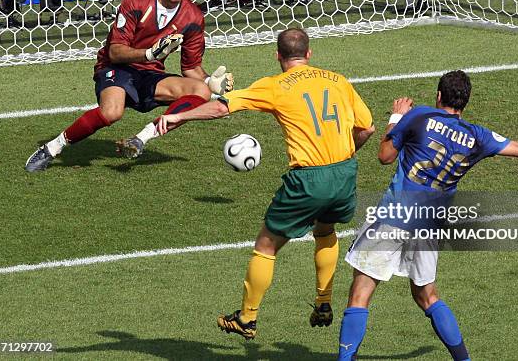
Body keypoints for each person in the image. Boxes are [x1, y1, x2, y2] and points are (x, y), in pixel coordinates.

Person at [338, 70, 518, 360]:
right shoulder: (477, 137)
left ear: (438, 96)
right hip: (428, 226)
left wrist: (396, 117)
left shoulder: (418, 116)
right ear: (465, 103)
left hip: (393, 215)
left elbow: (384, 156)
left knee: (361, 294)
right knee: (427, 296)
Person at [156, 28, 376, 340]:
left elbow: (222, 106)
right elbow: (366, 128)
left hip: (308, 179)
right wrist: (343, 157)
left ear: (278, 55)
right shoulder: (337, 80)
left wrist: (180, 117)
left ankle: (247, 318)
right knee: (325, 230)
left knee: (267, 245)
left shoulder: (275, 86)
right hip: (344, 172)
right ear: (309, 54)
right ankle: (324, 302)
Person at [25, 0, 234, 172]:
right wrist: (149, 54)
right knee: (112, 112)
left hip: (149, 74)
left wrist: (211, 81)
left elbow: (191, 67)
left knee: (200, 91)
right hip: (116, 67)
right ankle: (52, 148)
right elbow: (115, 51)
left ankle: (141, 139)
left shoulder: (193, 16)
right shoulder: (137, 1)